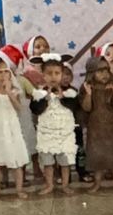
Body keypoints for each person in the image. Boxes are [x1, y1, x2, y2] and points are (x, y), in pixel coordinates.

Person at [0, 50, 31, 201]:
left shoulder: (14, 91)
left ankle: (19, 189)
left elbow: (19, 108)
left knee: (16, 162)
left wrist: (9, 92)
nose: (2, 75)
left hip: (11, 130)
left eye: (5, 71)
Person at [30, 55, 80, 195]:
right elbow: (35, 109)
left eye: (57, 73)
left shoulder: (70, 92)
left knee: (65, 162)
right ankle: (49, 184)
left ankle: (65, 185)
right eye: (49, 73)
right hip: (47, 134)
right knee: (48, 162)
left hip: (64, 133)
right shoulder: (39, 93)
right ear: (43, 75)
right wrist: (45, 98)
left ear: (62, 74)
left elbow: (75, 107)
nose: (53, 76)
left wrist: (62, 97)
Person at [80, 54, 113, 192]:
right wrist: (89, 94)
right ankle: (97, 183)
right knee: (97, 157)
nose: (104, 74)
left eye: (106, 70)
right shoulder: (87, 87)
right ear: (92, 73)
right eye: (100, 71)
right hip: (96, 129)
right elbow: (86, 108)